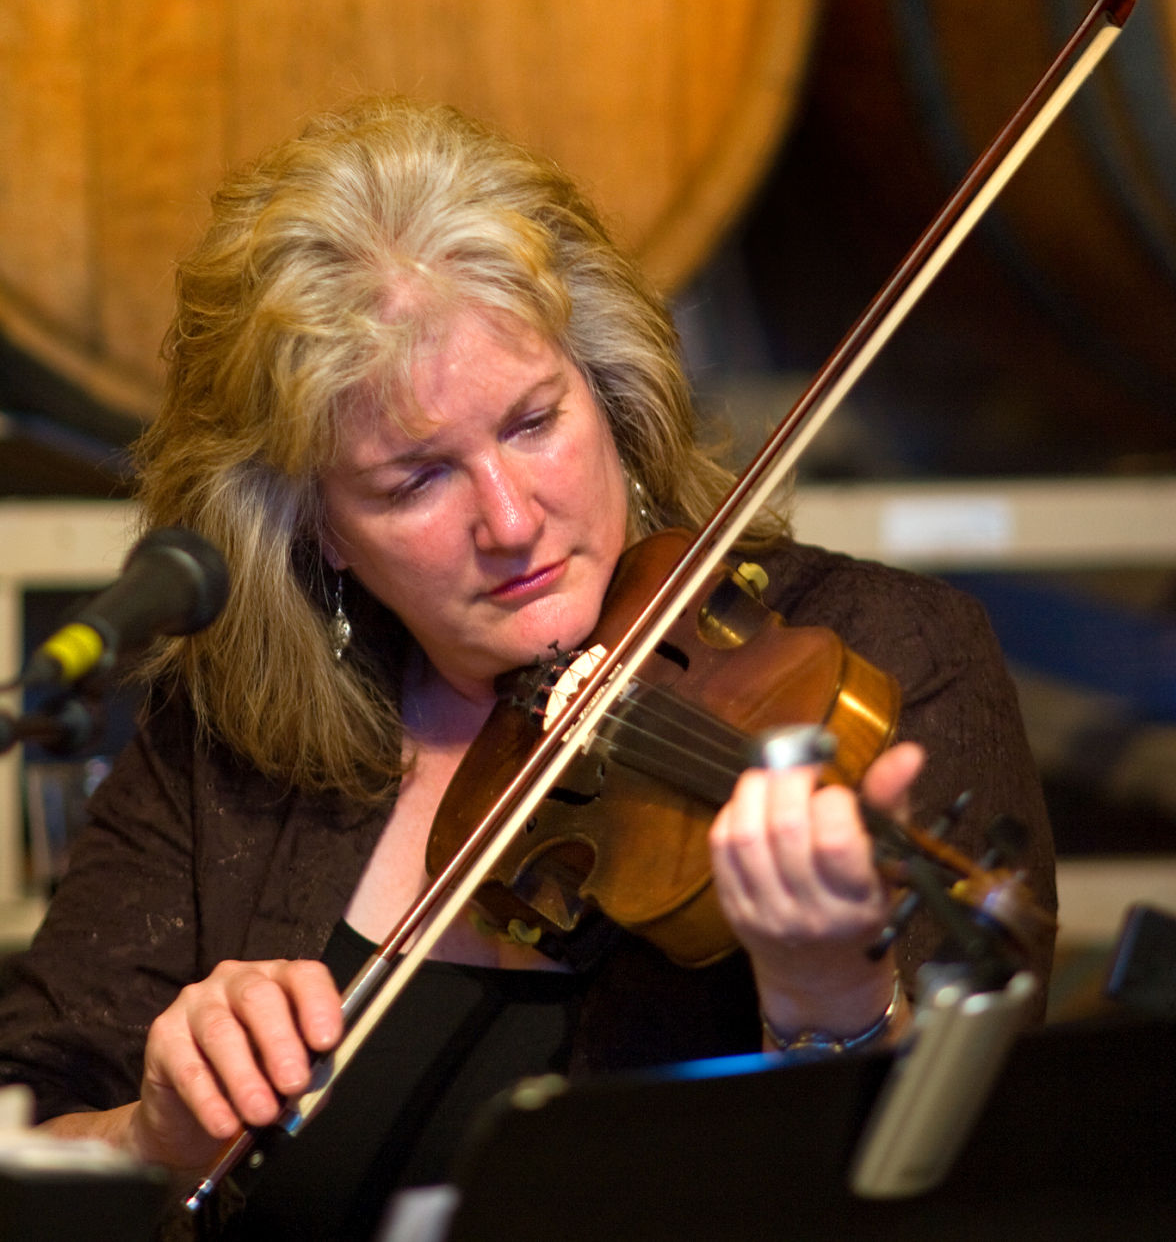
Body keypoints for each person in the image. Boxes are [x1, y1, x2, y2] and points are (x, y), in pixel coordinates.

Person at [0, 96, 1055, 1240]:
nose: (510, 519)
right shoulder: (232, 752)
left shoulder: (881, 654)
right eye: (415, 481)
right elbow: (30, 1135)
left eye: (534, 421)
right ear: (313, 529)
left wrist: (828, 998)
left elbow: (980, 1190)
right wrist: (150, 1136)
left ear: (607, 390)